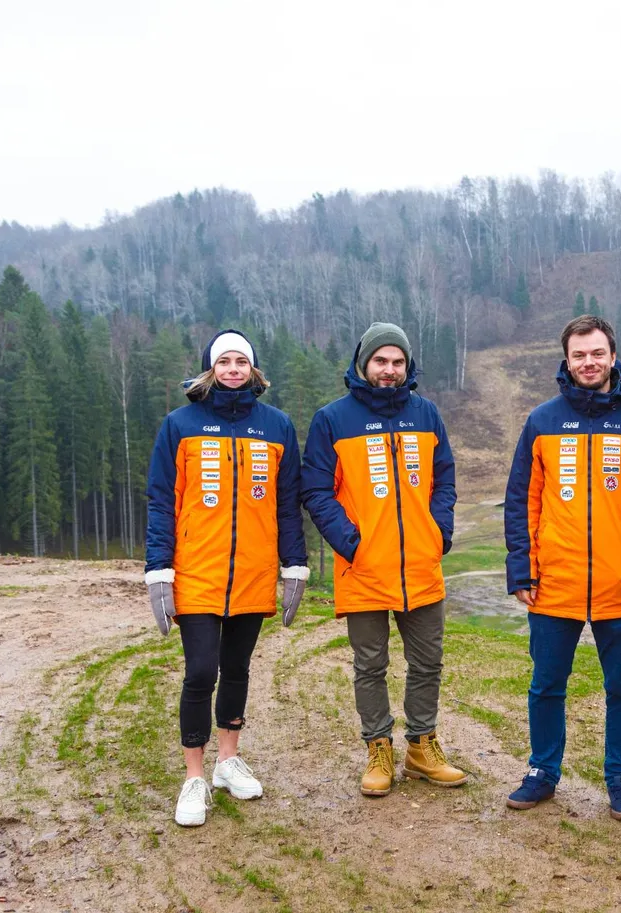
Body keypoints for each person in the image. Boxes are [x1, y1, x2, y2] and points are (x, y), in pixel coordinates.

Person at [503, 315, 621, 821]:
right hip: (553, 582)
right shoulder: (541, 421)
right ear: (567, 359)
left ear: (612, 355)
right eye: (579, 355)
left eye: (597, 353)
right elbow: (522, 500)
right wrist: (522, 568)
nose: (589, 362)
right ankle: (542, 772)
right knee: (545, 685)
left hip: (617, 581)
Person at [144, 329, 309, 828]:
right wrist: (159, 572)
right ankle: (194, 775)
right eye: (225, 361)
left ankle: (227, 761)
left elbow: (287, 505)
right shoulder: (180, 425)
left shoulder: (276, 426)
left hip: (254, 575)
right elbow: (162, 502)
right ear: (210, 369)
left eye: (242, 361)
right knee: (200, 673)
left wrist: (293, 565)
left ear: (253, 370)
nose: (234, 368)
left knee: (237, 669)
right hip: (197, 574)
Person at [301, 322, 467, 796]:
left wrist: (439, 532)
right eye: (380, 361)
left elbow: (445, 479)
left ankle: (421, 746)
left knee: (428, 662)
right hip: (365, 568)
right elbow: (316, 490)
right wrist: (350, 543)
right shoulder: (332, 419)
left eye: (397, 362)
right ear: (363, 364)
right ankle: (378, 748)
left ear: (407, 366)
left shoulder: (427, 414)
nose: (389, 370)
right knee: (370, 665)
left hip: (421, 565)